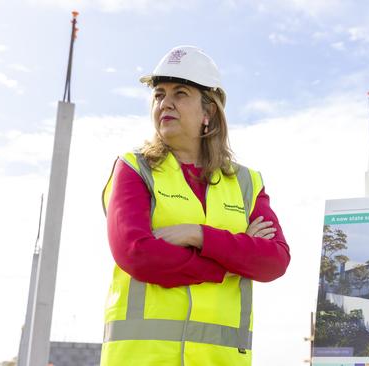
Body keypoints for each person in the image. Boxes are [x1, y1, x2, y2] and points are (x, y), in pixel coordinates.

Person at [100, 45, 290, 366]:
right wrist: (232, 262)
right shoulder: (134, 168)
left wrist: (199, 235)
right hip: (142, 359)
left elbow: (274, 261)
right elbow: (138, 254)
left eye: (181, 92)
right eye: (159, 94)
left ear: (209, 112)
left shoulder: (247, 183)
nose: (165, 103)